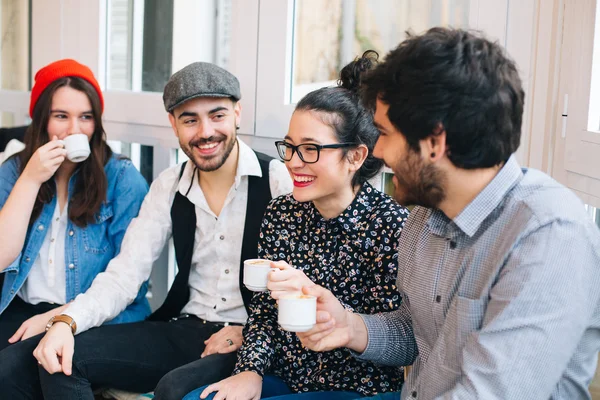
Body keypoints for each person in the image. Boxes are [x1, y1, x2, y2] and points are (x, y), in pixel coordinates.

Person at [294, 27, 600, 400]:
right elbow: (418, 333)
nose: (376, 153)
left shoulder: (548, 235)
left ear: (435, 142)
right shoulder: (423, 219)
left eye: (384, 134)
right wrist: (351, 326)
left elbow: (490, 394)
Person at [0, 61, 292, 400]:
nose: (206, 132)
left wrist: (252, 331)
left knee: (172, 389)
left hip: (253, 334)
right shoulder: (170, 185)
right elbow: (124, 276)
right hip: (185, 327)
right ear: (173, 124)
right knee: (62, 357)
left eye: (217, 115)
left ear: (237, 113)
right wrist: (66, 322)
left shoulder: (278, 180)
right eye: (190, 120)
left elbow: (301, 281)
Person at [186, 52, 409, 400]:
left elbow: (402, 339)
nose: (292, 162)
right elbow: (262, 311)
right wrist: (250, 371)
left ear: (355, 156)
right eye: (289, 147)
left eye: (309, 150)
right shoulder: (281, 213)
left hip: (359, 390)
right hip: (287, 378)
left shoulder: (392, 225)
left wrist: (342, 321)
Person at [0, 59, 150, 352]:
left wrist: (55, 318)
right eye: (61, 116)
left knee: (12, 373)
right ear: (41, 118)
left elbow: (132, 283)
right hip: (19, 309)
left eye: (85, 117)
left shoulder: (122, 179)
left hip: (89, 318)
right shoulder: (15, 171)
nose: (74, 129)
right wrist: (30, 180)